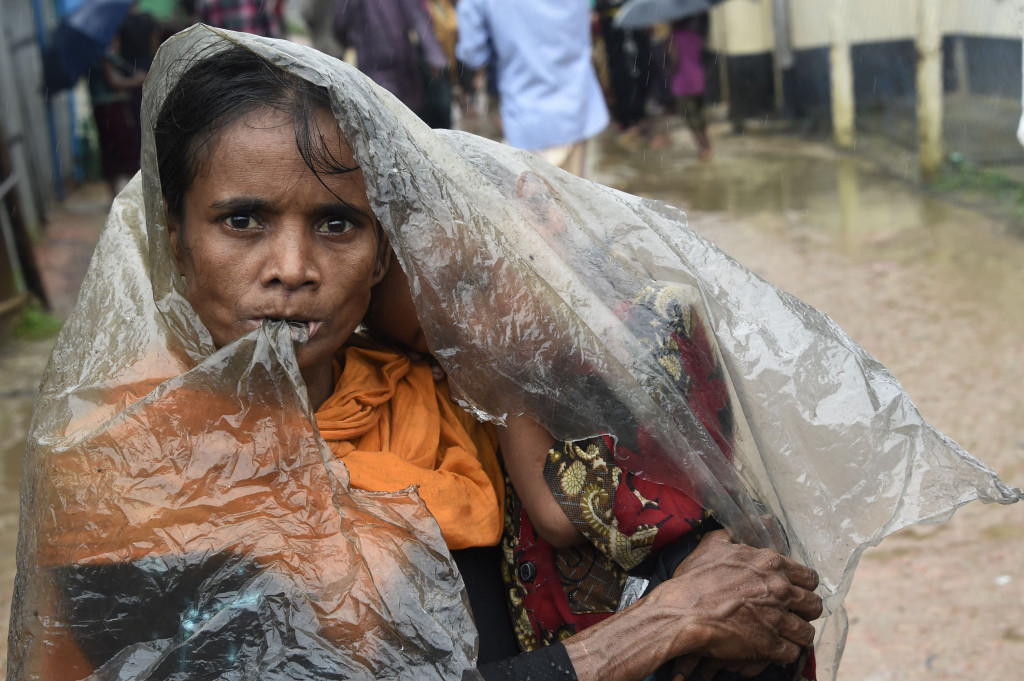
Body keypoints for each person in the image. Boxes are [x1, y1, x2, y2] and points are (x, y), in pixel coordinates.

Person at [8, 27, 825, 681]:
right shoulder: (126, 466)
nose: (292, 267)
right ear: (177, 244)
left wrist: (708, 555)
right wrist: (660, 625)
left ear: (379, 260)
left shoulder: (439, 401)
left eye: (337, 224)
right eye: (243, 220)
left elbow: (617, 504)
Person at [455, 0, 610, 176]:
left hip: (528, 120)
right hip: (582, 109)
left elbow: (473, 53)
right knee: (578, 196)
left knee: (531, 199)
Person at [333, 0, 448, 125]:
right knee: (401, 114)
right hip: (395, 60)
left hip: (380, 63)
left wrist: (353, 41)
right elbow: (417, 17)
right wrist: (433, 55)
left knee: (388, 115)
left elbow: (340, 25)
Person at [670, 15, 712, 160]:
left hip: (683, 82)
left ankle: (703, 148)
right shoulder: (696, 36)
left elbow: (673, 60)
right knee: (699, 115)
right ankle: (706, 144)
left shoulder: (674, 38)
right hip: (698, 79)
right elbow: (702, 55)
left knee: (690, 116)